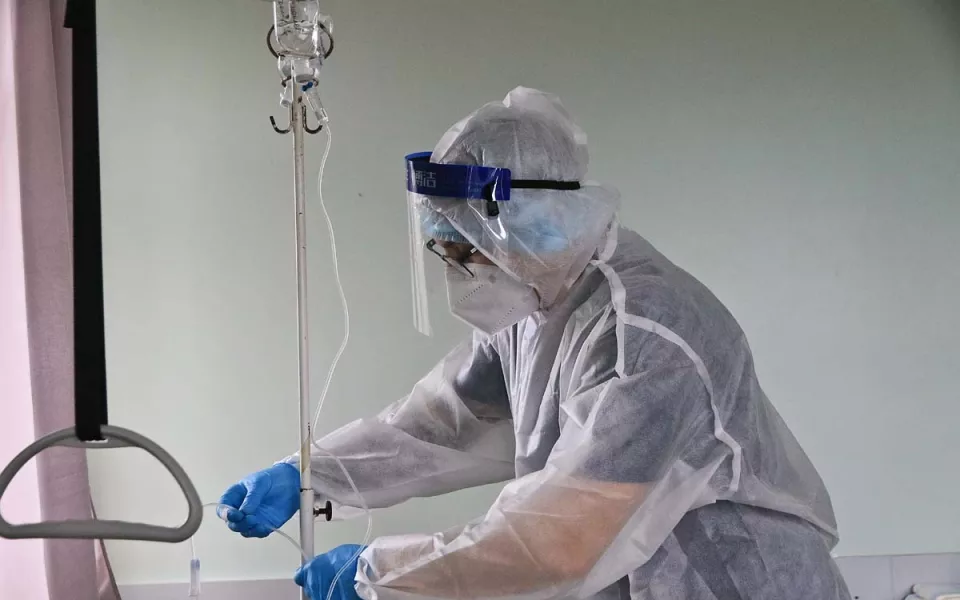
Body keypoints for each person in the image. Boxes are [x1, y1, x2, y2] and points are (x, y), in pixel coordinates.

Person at [219, 87, 852, 600]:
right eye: (442, 250)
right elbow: (441, 428)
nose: (458, 273)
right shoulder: (536, 305)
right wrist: (311, 473)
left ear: (534, 222)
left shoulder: (646, 335)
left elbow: (561, 539)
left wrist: (375, 574)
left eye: (466, 249)